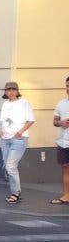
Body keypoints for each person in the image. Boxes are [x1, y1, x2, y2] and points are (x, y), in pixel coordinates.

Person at [0, 81, 35, 204]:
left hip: (19, 138)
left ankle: (16, 193)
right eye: (8, 90)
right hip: (5, 139)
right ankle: (14, 186)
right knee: (6, 164)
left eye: (13, 89)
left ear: (17, 91)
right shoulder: (5, 104)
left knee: (10, 166)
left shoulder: (24, 103)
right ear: (5, 92)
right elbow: (2, 121)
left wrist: (21, 131)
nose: (11, 92)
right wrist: (0, 130)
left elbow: (31, 120)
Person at [52, 75, 69, 205]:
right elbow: (55, 122)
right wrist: (60, 123)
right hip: (63, 141)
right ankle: (66, 196)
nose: (68, 88)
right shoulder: (61, 103)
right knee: (65, 168)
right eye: (67, 86)